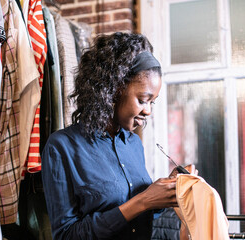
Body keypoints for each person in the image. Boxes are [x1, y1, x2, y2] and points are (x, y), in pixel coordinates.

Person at [41, 32, 195, 240]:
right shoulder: (62, 147)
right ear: (114, 90)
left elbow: (144, 213)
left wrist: (167, 188)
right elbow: (66, 235)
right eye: (143, 100)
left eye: (152, 102)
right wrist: (144, 201)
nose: (148, 111)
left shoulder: (133, 144)